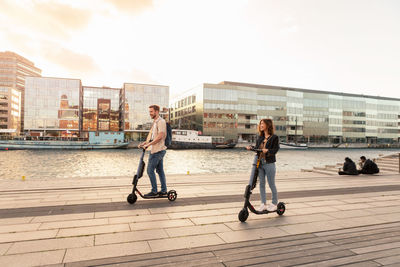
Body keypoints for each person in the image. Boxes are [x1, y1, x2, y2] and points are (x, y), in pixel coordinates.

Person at [246, 118, 280, 212]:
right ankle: (263, 204)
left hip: (269, 164)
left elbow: (275, 150)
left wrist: (268, 150)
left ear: (268, 125)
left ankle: (274, 203)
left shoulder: (274, 137)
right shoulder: (260, 138)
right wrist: (251, 148)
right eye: (260, 124)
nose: (261, 125)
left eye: (262, 124)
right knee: (261, 184)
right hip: (260, 163)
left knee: (271, 184)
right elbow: (257, 148)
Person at [138, 105, 168, 197]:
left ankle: (154, 191)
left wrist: (149, 145)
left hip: (158, 150)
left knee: (150, 170)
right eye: (149, 111)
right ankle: (163, 191)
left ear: (157, 111)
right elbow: (152, 137)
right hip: (157, 149)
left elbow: (160, 136)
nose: (150, 113)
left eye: (151, 111)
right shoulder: (155, 122)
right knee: (160, 171)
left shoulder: (161, 122)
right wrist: (145, 143)